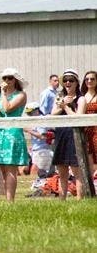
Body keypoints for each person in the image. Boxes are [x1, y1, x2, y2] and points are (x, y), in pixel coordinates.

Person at [0, 68, 30, 202]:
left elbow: (8, 108)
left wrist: (3, 93)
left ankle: (10, 201)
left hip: (12, 133)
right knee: (2, 168)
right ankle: (5, 198)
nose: (7, 81)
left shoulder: (21, 95)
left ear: (15, 80)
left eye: (10, 78)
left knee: (11, 167)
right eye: (5, 78)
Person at [51, 69, 85, 200]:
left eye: (71, 80)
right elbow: (53, 114)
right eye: (65, 80)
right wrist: (62, 104)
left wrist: (65, 107)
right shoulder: (60, 96)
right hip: (61, 134)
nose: (68, 83)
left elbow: (78, 117)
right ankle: (62, 200)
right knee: (62, 171)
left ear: (76, 82)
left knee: (77, 170)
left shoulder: (81, 99)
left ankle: (80, 199)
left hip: (74, 135)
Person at [76, 70, 97, 180]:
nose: (89, 81)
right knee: (88, 159)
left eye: (92, 79)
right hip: (85, 131)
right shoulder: (81, 96)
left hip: (96, 131)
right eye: (87, 79)